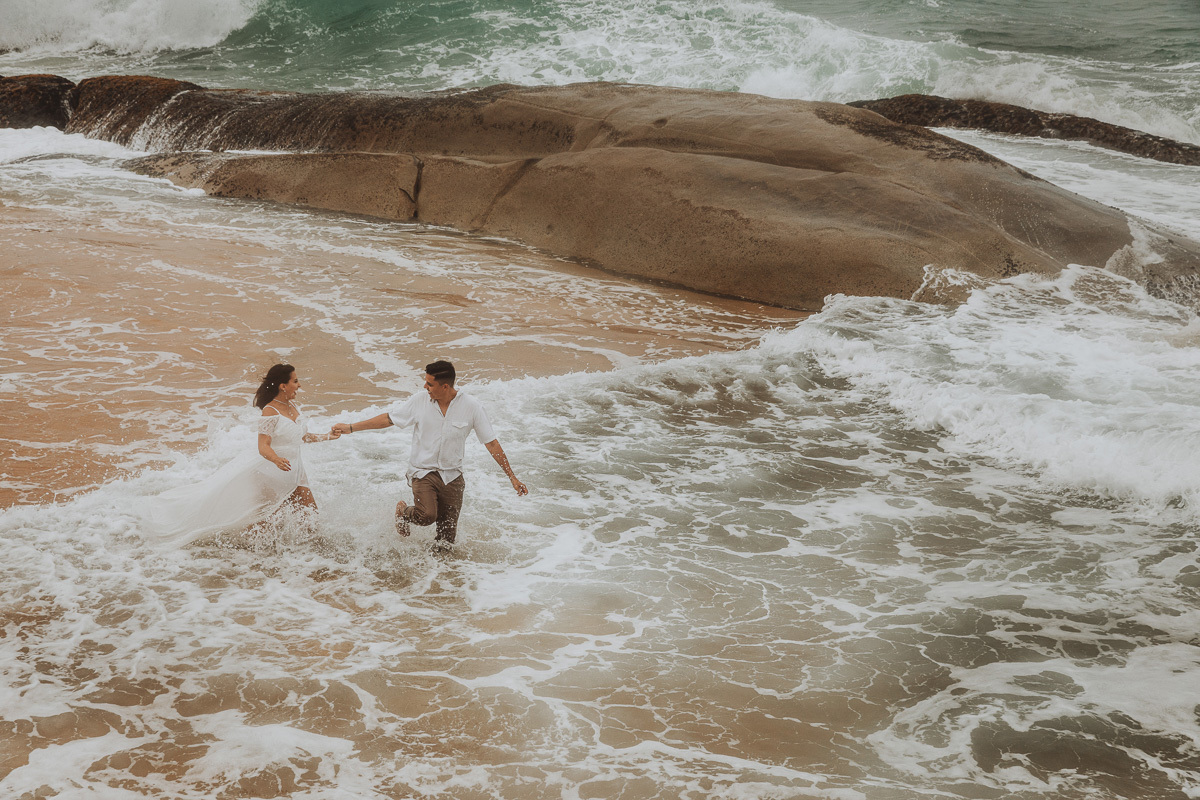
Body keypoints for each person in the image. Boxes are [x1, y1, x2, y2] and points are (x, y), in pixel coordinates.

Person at [331, 360, 527, 547]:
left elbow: (491, 443)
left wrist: (512, 477)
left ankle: (438, 577)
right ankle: (403, 512)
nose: (425, 387)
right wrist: (351, 427)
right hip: (422, 472)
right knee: (427, 516)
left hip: (452, 476)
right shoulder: (419, 401)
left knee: (446, 540)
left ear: (445, 387)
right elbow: (389, 419)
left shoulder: (472, 406)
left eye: (429, 383)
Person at [141, 364, 339, 546]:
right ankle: (244, 555)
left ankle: (310, 556)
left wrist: (328, 436)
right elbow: (263, 446)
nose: (299, 384)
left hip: (295, 472)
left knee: (310, 518)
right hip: (272, 472)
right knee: (264, 523)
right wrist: (276, 459)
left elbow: (302, 436)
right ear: (282, 386)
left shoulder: (293, 407)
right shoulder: (270, 412)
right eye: (295, 381)